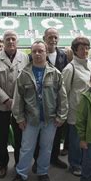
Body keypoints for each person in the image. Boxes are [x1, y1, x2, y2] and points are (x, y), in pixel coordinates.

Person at [8, 41, 68, 181]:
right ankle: (21, 174)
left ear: (46, 52)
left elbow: (62, 97)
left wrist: (61, 116)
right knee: (26, 148)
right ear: (31, 53)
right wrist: (19, 118)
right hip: (30, 119)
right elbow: (18, 98)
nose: (37, 54)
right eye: (34, 51)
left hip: (50, 119)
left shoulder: (55, 73)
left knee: (46, 148)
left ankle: (42, 172)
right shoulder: (24, 74)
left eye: (40, 51)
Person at [0, 30, 29, 178]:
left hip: (21, 105)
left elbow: (27, 81)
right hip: (0, 104)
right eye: (7, 39)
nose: (11, 41)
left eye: (13, 39)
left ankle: (19, 164)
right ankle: (2, 164)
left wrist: (17, 101)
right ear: (3, 42)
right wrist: (6, 99)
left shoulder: (25, 57)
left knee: (20, 136)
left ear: (17, 41)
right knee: (1, 137)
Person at [32, 28, 69, 171]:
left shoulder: (63, 55)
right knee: (38, 135)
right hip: (40, 101)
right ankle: (37, 161)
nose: (53, 39)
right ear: (44, 38)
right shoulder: (37, 54)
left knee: (56, 132)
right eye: (50, 37)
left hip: (56, 99)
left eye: (55, 37)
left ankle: (54, 158)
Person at [62, 36, 91, 176]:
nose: (85, 51)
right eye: (82, 48)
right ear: (75, 50)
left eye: (87, 48)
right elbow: (64, 92)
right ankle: (75, 164)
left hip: (89, 110)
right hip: (75, 110)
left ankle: (84, 162)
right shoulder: (70, 68)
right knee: (76, 140)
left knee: (86, 138)